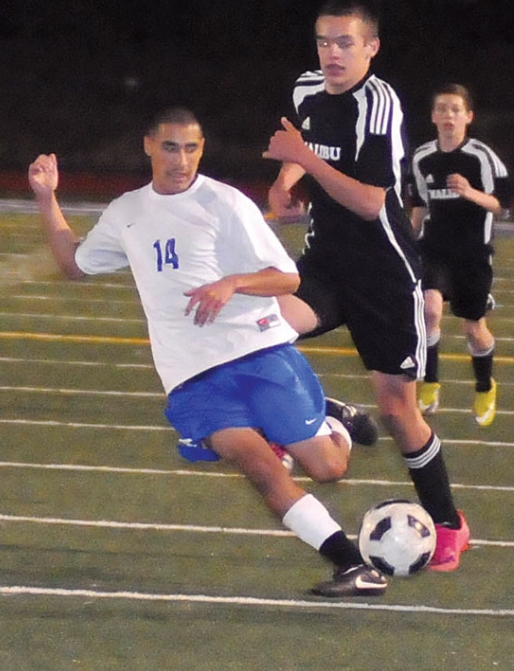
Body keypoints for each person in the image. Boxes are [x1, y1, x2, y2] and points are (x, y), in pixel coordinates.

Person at [28, 107, 386, 598]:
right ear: (148, 146)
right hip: (192, 375)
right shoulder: (126, 212)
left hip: (257, 353)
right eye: (171, 147)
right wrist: (46, 199)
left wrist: (232, 283)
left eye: (192, 148)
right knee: (261, 471)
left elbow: (288, 278)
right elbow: (74, 264)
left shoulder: (224, 203)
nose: (182, 159)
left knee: (328, 469)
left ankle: (333, 419)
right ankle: (352, 566)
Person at [263, 0, 470, 570]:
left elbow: (370, 200)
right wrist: (287, 182)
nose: (332, 53)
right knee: (262, 328)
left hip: (383, 273)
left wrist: (303, 157)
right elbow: (306, 156)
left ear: (371, 48)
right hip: (326, 261)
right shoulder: (308, 89)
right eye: (325, 42)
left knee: (398, 410)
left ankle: (449, 521)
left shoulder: (378, 103)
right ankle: (323, 414)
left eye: (345, 42)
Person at [409, 83, 512, 428]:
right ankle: (431, 382)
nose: (448, 115)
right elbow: (420, 205)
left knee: (474, 330)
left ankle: (485, 386)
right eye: (442, 109)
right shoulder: (422, 157)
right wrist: (408, 243)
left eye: (455, 109)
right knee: (429, 310)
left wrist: (470, 193)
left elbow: (502, 205)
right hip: (434, 249)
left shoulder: (481, 157)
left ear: (468, 116)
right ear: (433, 116)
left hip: (472, 254)